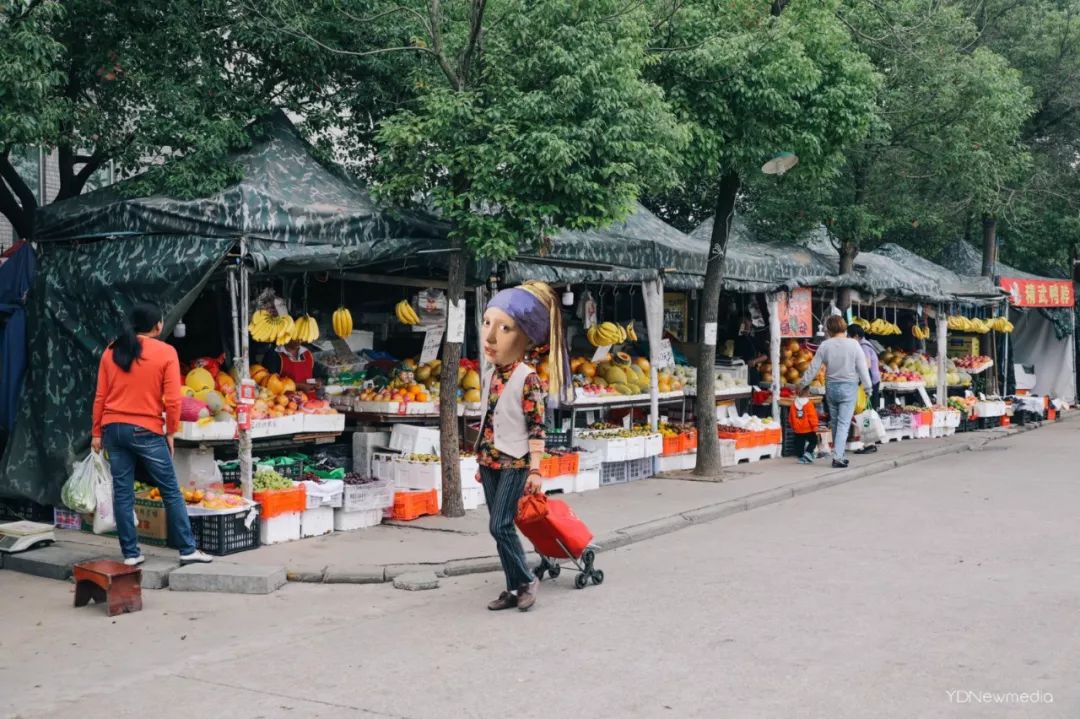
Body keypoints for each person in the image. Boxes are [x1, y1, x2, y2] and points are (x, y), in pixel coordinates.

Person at [474, 281, 571, 612]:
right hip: (490, 461)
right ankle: (513, 587)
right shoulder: (491, 375)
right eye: (487, 323)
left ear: (526, 337)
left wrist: (535, 468)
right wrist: (480, 458)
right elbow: (491, 419)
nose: (490, 337)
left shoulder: (528, 378)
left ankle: (527, 580)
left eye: (503, 328)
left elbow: (537, 425)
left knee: (499, 524)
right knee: (500, 528)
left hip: (515, 462)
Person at [91, 302, 213, 566]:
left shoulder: (111, 350)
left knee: (123, 493)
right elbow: (173, 400)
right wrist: (171, 432)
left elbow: (100, 396)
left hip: (113, 429)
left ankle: (131, 554)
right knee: (170, 490)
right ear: (158, 325)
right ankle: (187, 549)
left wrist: (96, 433)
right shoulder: (166, 352)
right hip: (146, 430)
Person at [798, 315, 873, 469]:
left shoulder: (825, 345)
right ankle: (838, 457)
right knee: (844, 423)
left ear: (829, 329)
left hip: (831, 387)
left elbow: (813, 368)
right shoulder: (854, 344)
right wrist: (868, 387)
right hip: (848, 387)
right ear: (844, 327)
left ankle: (840, 454)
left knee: (836, 422)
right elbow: (862, 368)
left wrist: (802, 383)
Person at [847, 323, 881, 454]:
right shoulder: (866, 344)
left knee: (865, 413)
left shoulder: (863, 347)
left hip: (868, 383)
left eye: (849, 336)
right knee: (867, 412)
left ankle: (870, 443)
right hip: (871, 382)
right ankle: (870, 442)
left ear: (855, 336)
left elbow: (865, 365)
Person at [260, 339, 327, 390]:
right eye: (295, 336)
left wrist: (317, 381)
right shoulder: (273, 355)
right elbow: (269, 384)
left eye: (300, 336)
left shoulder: (307, 353)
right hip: (284, 401)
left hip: (309, 401)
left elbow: (318, 375)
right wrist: (299, 386)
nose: (298, 340)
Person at [789, 387, 820, 465]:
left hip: (798, 429)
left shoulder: (793, 404)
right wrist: (815, 426)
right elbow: (812, 416)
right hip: (808, 428)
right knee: (814, 441)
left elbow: (790, 417)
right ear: (807, 393)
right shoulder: (809, 404)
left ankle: (800, 457)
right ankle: (808, 453)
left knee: (799, 444)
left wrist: (793, 426)